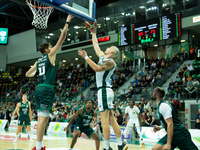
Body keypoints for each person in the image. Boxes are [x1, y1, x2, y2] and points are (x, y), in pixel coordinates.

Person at [25, 15, 74, 150]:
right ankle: (38, 146)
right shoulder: (50, 55)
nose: (52, 47)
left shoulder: (38, 60)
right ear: (47, 50)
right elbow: (62, 38)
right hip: (46, 89)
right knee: (43, 120)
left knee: (42, 119)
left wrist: (34, 72)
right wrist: (67, 22)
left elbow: (27, 74)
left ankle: (39, 146)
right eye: (50, 46)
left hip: (38, 89)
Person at [78, 27, 127, 150]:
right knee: (111, 118)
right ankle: (121, 144)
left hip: (104, 90)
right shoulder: (102, 57)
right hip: (105, 91)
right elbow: (96, 45)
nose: (107, 48)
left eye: (109, 48)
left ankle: (106, 147)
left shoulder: (110, 62)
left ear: (112, 53)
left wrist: (86, 57)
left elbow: (97, 69)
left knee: (104, 120)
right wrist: (93, 33)